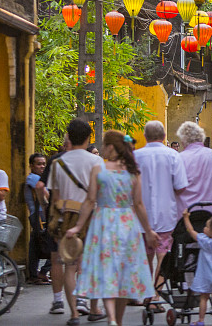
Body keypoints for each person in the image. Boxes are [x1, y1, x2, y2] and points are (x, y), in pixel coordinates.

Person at [68, 130, 158, 326]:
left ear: (110, 147)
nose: (102, 149)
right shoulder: (133, 172)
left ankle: (111, 318)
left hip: (103, 223)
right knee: (124, 273)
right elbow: (139, 204)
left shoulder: (99, 169)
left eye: (104, 145)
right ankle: (118, 319)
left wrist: (77, 226)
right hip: (127, 224)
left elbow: (90, 200)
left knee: (107, 271)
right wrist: (149, 231)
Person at [47, 118, 106, 325]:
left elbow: (55, 198)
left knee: (70, 266)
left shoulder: (57, 163)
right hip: (91, 218)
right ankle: (94, 308)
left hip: (65, 219)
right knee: (93, 265)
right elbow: (98, 195)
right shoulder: (96, 162)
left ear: (69, 138)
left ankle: (73, 314)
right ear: (89, 137)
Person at [133, 120, 188, 308]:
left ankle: (146, 293)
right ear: (164, 136)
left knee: (145, 257)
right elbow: (181, 186)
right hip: (166, 214)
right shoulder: (173, 156)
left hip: (141, 216)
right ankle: (156, 294)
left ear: (145, 136)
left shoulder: (135, 156)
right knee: (162, 255)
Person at [36, 135, 71, 314]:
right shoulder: (91, 160)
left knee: (56, 259)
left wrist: (45, 205)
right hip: (79, 215)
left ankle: (58, 301)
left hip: (56, 214)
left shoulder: (55, 161)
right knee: (77, 261)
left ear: (64, 144)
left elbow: (39, 186)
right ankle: (80, 301)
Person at [182, 210, 212, 326]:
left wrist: (186, 218)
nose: (204, 228)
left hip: (207, 277)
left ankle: (201, 321)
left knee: (204, 298)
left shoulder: (205, 241)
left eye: (207, 227)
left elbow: (191, 231)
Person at [176, 121, 212, 216]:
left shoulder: (180, 158)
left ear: (184, 140)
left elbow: (177, 186)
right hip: (211, 210)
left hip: (186, 211)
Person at [25, 153, 50, 285]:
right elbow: (47, 194)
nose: (42, 167)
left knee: (35, 245)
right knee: (54, 245)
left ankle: (35, 274)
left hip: (38, 215)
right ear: (31, 166)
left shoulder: (39, 178)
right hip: (39, 215)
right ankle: (42, 272)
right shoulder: (33, 178)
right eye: (39, 164)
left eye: (44, 164)